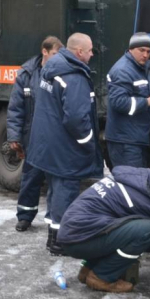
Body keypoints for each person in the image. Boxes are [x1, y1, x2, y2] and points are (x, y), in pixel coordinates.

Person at [26, 32, 104, 255]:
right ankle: (61, 241)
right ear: (79, 52)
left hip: (48, 145)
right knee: (65, 193)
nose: (91, 55)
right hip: (66, 149)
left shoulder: (51, 70)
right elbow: (76, 119)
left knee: (55, 191)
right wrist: (88, 143)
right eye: (89, 51)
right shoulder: (74, 77)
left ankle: (54, 236)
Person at [58, 165, 150, 293]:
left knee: (118, 228)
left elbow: (126, 210)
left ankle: (88, 269)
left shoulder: (134, 178)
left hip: (72, 232)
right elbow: (146, 240)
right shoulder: (141, 201)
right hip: (77, 241)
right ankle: (101, 277)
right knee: (146, 231)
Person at [7, 36, 64, 232]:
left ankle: (55, 221)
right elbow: (16, 108)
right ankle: (25, 216)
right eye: (55, 54)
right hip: (32, 137)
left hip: (54, 138)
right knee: (30, 178)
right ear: (44, 52)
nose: (58, 58)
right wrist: (14, 137)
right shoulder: (26, 74)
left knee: (56, 182)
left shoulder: (62, 73)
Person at [105, 32, 150, 168]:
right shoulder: (123, 70)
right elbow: (119, 102)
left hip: (136, 138)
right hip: (125, 141)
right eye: (141, 50)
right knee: (130, 184)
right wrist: (148, 102)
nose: (145, 55)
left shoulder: (142, 68)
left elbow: (140, 95)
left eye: (148, 51)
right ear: (131, 49)